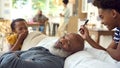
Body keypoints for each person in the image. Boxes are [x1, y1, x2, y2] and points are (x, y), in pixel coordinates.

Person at [0, 33, 84, 68]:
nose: (62, 41)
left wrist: (16, 56)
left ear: (71, 53)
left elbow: (7, 63)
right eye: (64, 37)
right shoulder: (42, 49)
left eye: (68, 44)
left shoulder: (53, 63)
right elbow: (8, 54)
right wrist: (15, 56)